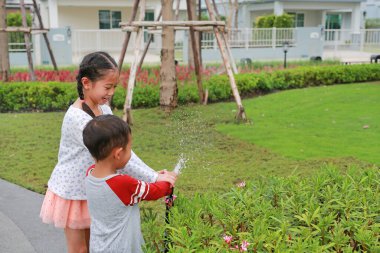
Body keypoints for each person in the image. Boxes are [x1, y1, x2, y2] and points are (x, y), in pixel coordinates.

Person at [40, 51, 176, 253]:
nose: (111, 92)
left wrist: (154, 174)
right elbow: (121, 157)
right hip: (72, 192)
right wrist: (155, 178)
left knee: (94, 246)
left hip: (94, 189)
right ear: (86, 83)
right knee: (79, 250)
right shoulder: (78, 119)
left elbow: (125, 152)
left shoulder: (104, 110)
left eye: (114, 87)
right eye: (107, 86)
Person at [83, 115, 175, 252]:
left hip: (99, 246)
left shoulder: (90, 174)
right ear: (118, 154)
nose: (131, 152)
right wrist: (168, 181)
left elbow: (130, 188)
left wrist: (155, 175)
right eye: (129, 148)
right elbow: (154, 191)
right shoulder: (121, 184)